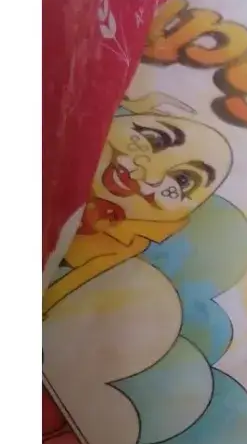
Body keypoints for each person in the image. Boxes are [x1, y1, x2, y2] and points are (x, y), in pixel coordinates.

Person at [42, 92, 235, 316]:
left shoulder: (124, 244)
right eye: (154, 139)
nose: (150, 175)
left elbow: (65, 287)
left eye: (183, 180)